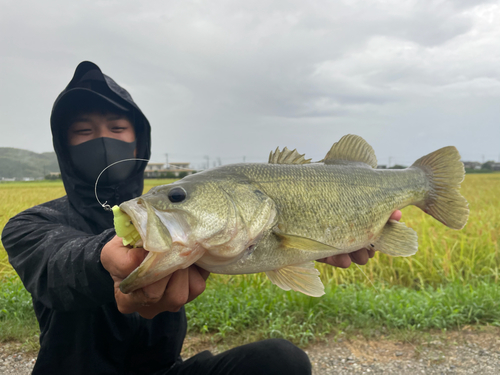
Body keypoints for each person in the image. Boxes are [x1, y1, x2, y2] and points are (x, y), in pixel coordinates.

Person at [2, 61, 401, 375]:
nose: (103, 140)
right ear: (62, 145)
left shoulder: (182, 217)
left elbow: (255, 244)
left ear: (139, 141)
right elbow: (59, 267)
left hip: (163, 372)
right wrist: (104, 260)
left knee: (281, 361)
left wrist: (318, 239)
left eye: (118, 127)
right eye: (84, 131)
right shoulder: (29, 225)